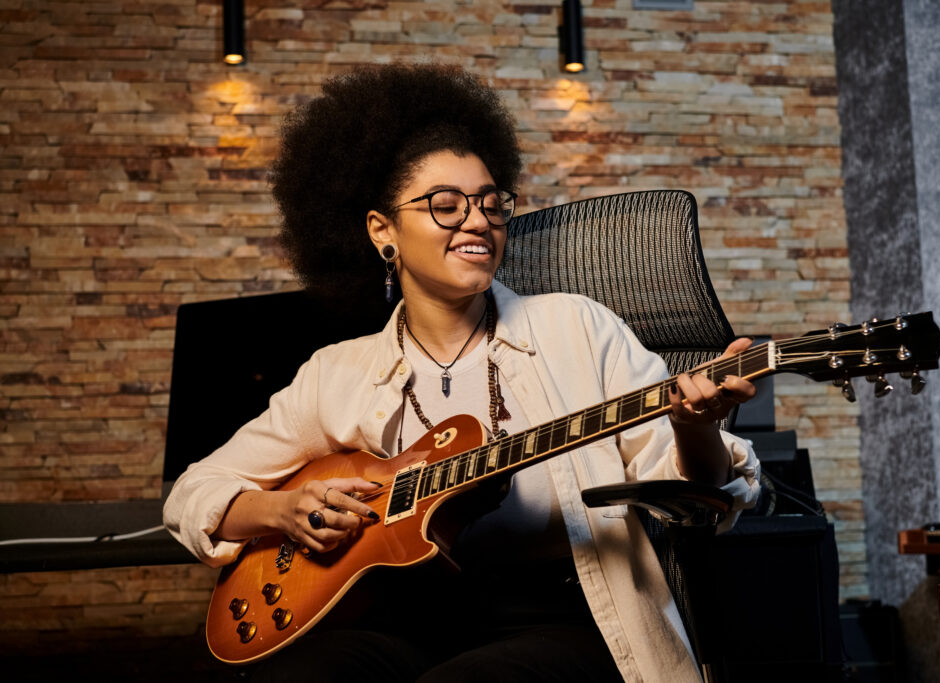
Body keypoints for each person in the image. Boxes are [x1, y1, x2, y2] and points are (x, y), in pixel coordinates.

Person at [163, 63, 760, 682]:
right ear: (382, 231)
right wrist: (281, 512)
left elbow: (699, 496)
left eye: (491, 203)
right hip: (395, 622)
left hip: (560, 619)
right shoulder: (336, 374)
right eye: (444, 206)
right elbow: (191, 493)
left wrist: (695, 428)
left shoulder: (575, 327)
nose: (477, 221)